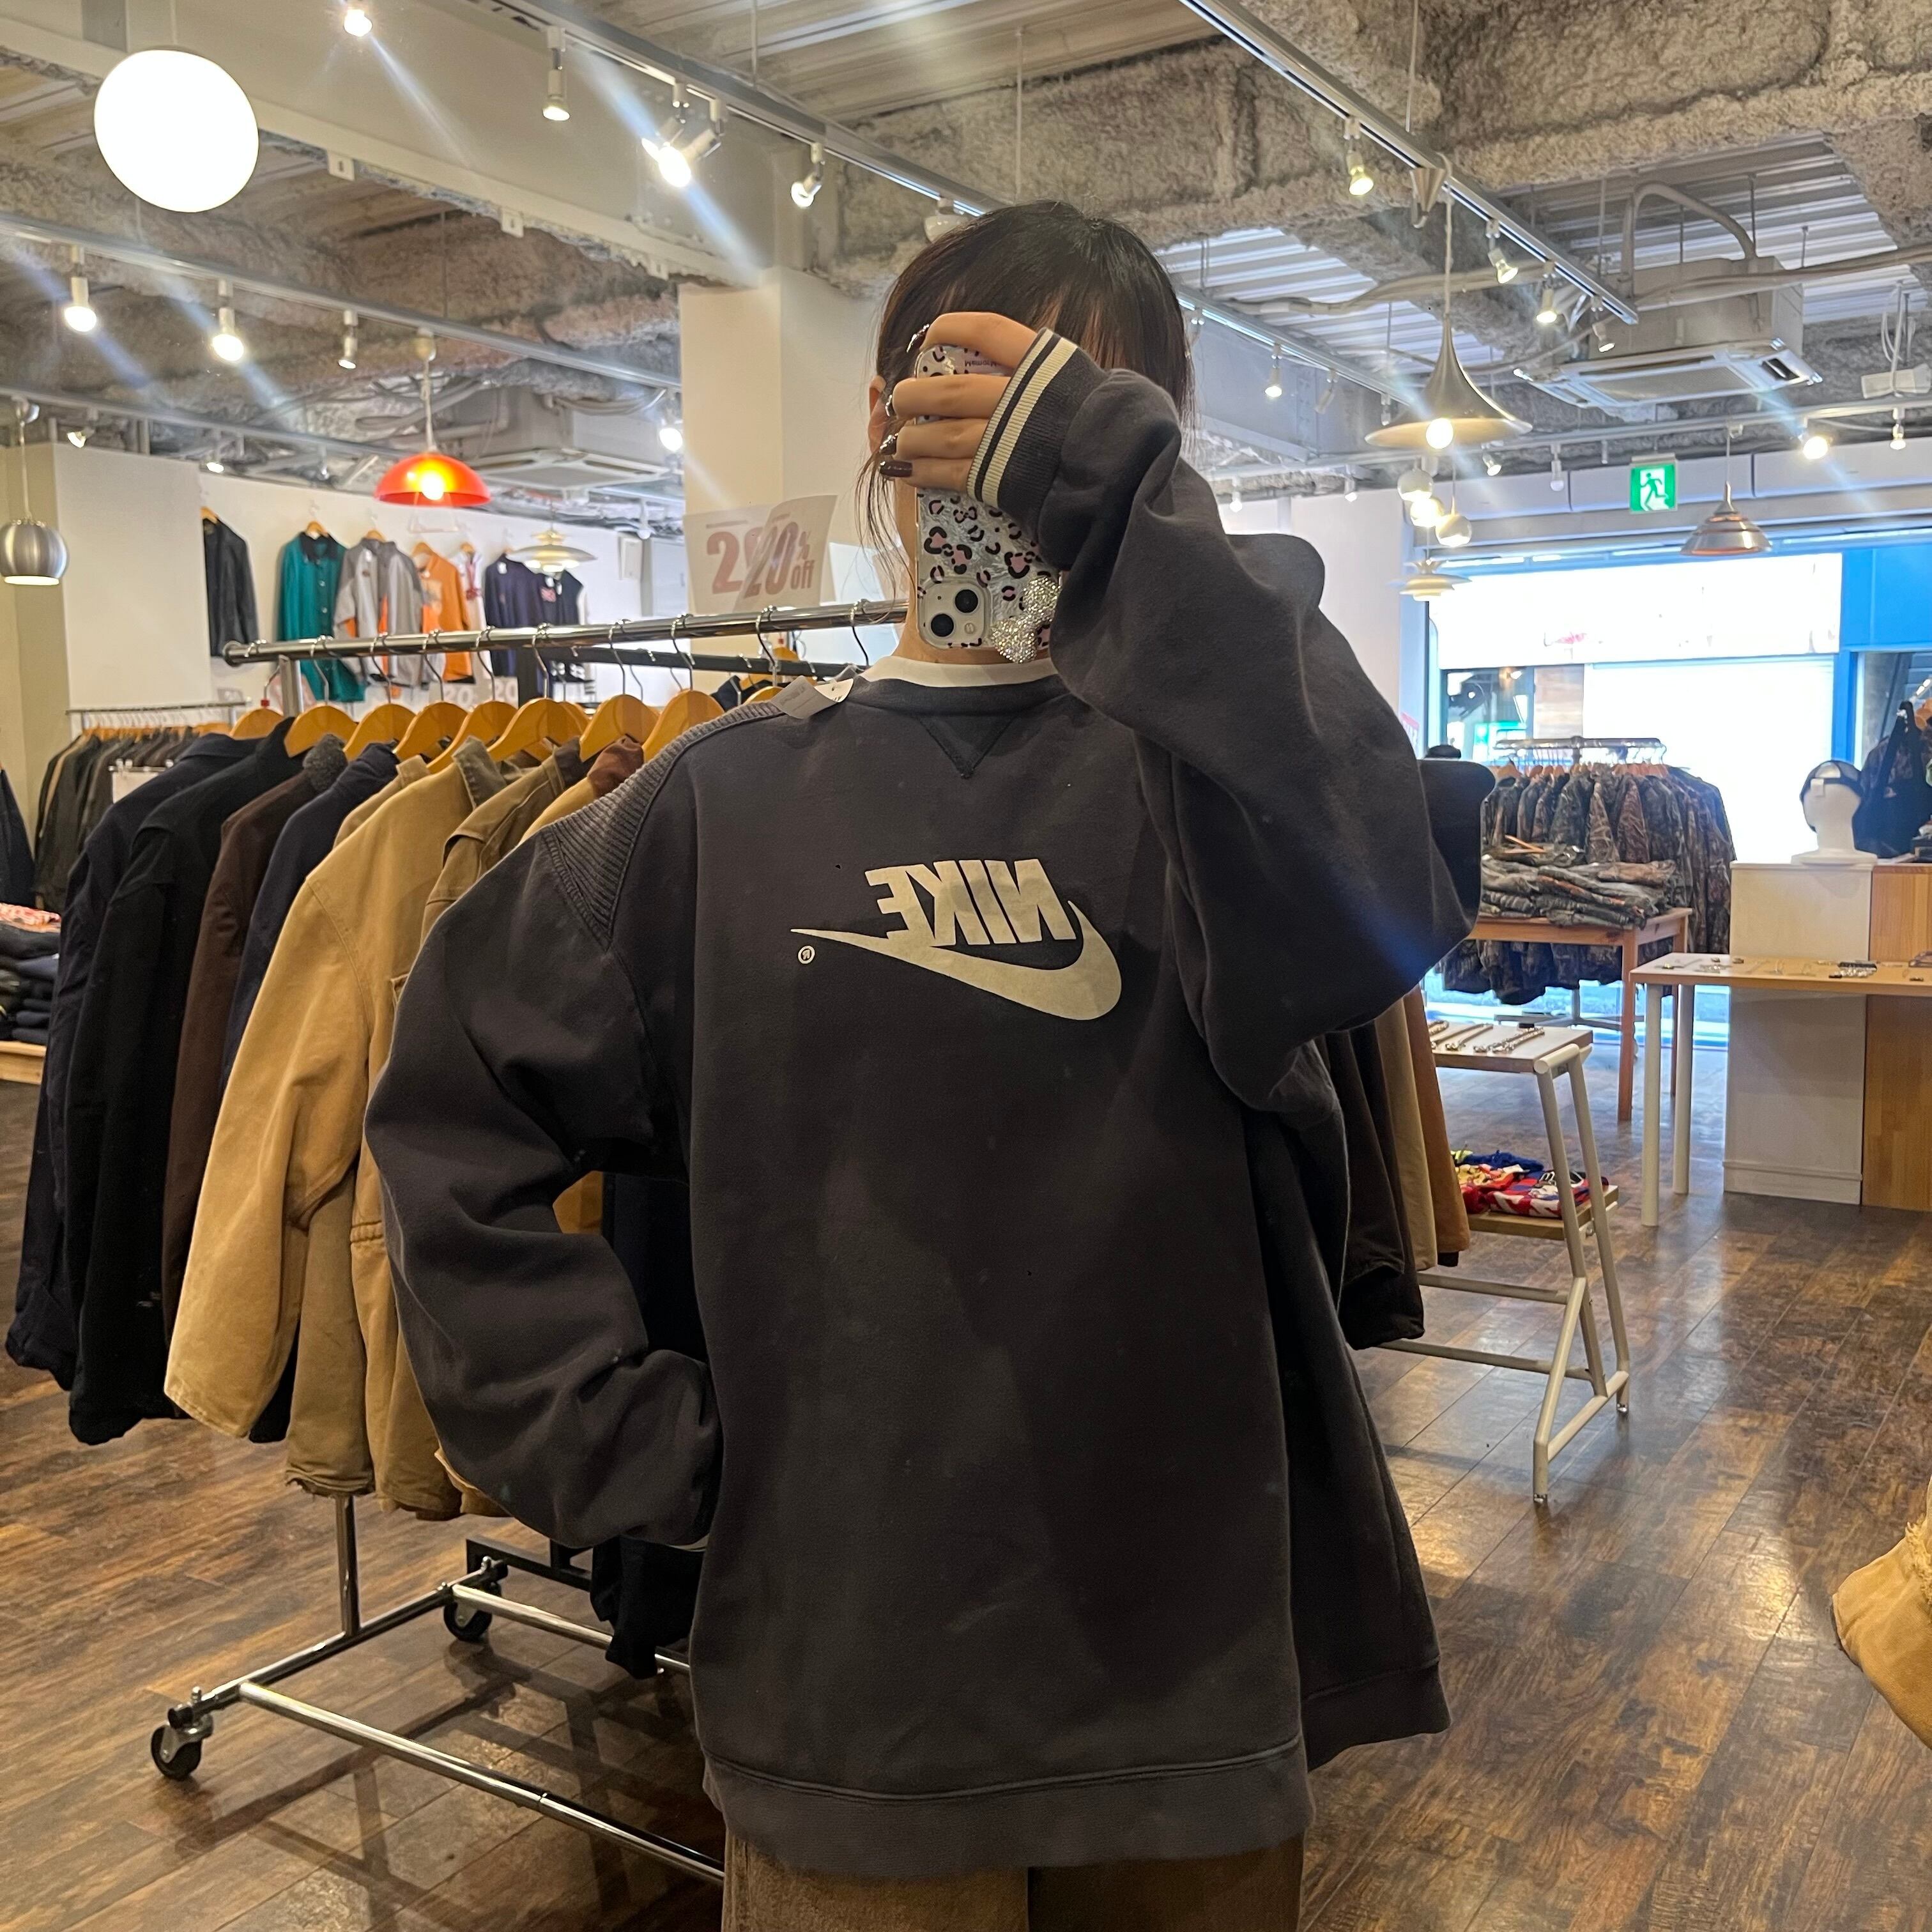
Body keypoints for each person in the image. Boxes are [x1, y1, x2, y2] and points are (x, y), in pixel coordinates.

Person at [367, 201, 1489, 1929]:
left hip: (1187, 1690)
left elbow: (1389, 899)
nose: (1014, 457)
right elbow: (456, 1110)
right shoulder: (716, 808)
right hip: (853, 1702)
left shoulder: (1216, 800)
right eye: (969, 394)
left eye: (1076, 410)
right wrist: (632, 1444)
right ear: (885, 428)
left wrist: (1123, 508)